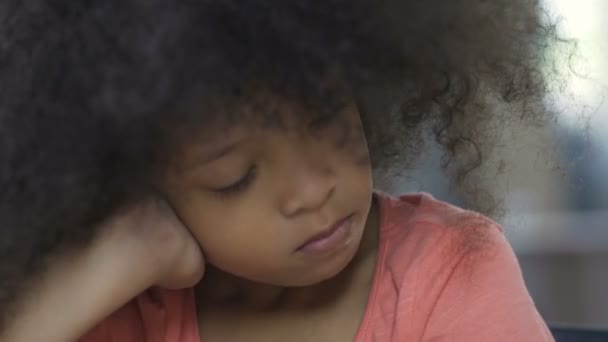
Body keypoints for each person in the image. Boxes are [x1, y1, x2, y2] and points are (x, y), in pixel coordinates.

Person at [0, 0, 558, 341]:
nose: (311, 190)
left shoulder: (452, 268)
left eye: (324, 120)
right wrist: (118, 262)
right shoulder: (132, 307)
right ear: (140, 186)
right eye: (236, 177)